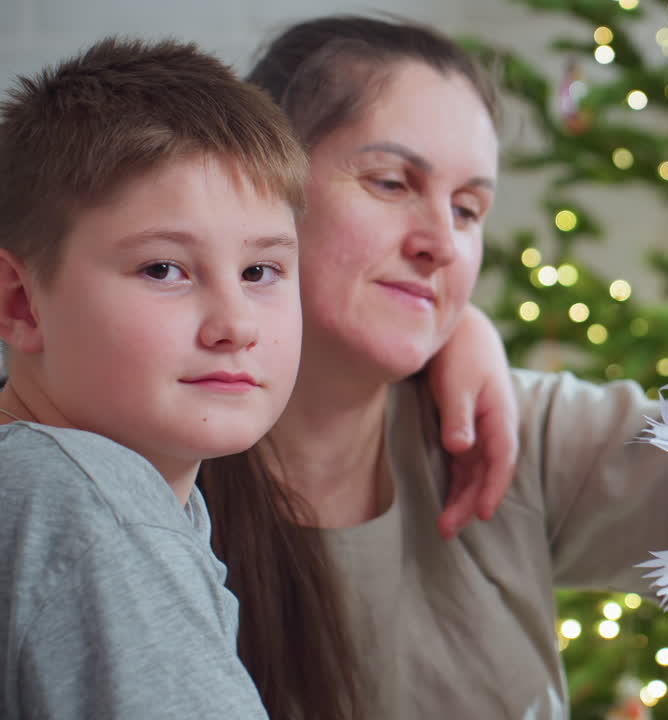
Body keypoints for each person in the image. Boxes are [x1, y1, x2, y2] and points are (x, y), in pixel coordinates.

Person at [198, 15, 668, 720]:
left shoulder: (513, 433)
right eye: (392, 183)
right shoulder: (140, 471)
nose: (440, 241)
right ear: (265, 187)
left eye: (467, 209)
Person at [0, 36, 514, 718]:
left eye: (259, 273)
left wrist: (463, 325)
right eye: (164, 269)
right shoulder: (93, 511)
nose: (234, 324)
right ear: (20, 302)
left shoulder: (73, 487)